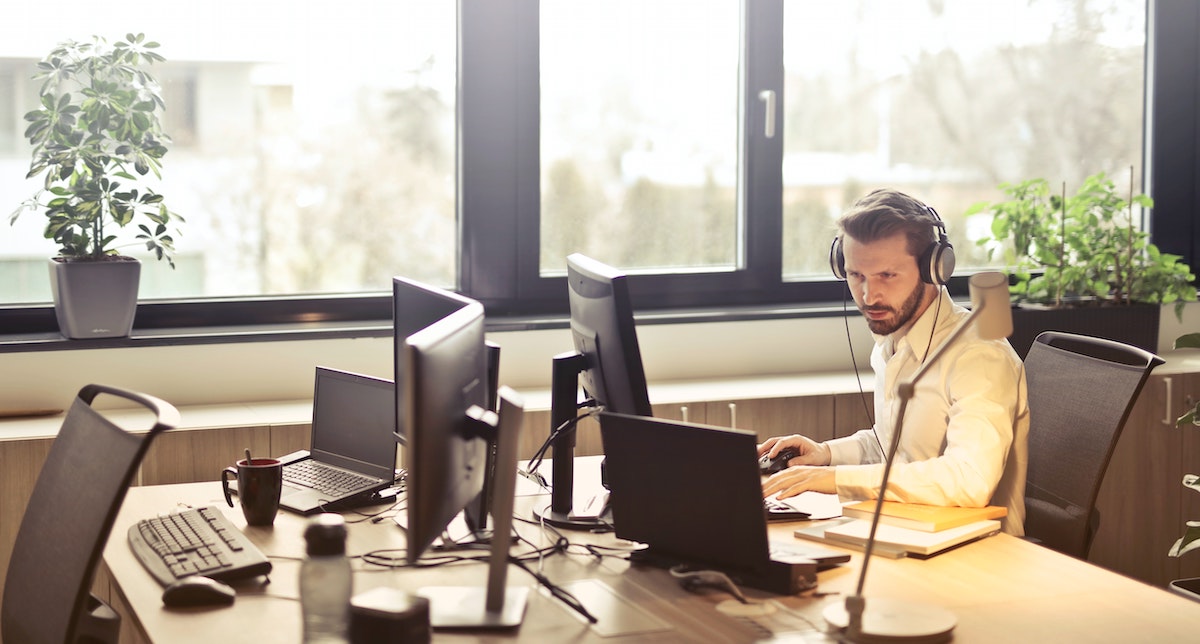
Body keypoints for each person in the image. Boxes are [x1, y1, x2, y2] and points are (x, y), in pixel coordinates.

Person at [759, 188, 1029, 535]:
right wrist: (826, 454)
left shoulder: (980, 355)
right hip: (906, 529)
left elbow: (969, 480)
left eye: (887, 275)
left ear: (934, 268)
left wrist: (835, 479)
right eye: (856, 276)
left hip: (978, 552)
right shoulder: (892, 341)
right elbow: (893, 448)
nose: (869, 296)